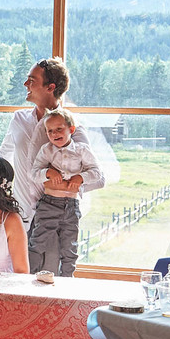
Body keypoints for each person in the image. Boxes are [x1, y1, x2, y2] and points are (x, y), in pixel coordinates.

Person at [0, 57, 104, 271]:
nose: (25, 84)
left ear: (50, 87)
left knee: (47, 280)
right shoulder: (19, 119)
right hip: (19, 217)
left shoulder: (69, 127)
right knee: (17, 279)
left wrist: (61, 185)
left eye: (32, 80)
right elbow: (2, 156)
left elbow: (98, 178)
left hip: (52, 221)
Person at [29, 108, 102, 276]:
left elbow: (97, 173)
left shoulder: (82, 150)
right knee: (37, 243)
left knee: (70, 248)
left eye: (59, 129)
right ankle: (28, 276)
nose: (54, 134)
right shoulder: (47, 150)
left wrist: (81, 177)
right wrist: (48, 173)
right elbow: (33, 174)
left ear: (71, 129)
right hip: (49, 204)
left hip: (71, 206)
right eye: (50, 131)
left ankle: (68, 279)